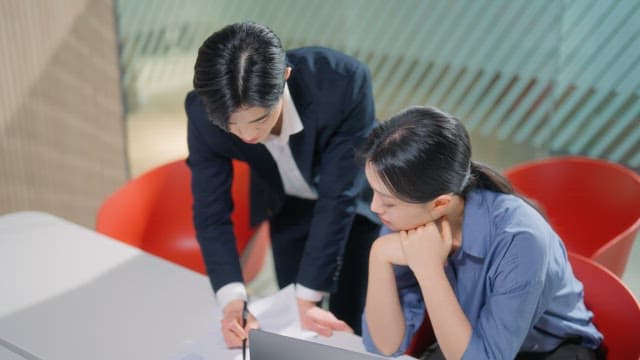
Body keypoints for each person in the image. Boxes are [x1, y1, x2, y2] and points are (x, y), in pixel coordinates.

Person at [185, 21, 380, 348]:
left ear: (285, 76)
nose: (248, 135)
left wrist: (309, 295)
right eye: (231, 125)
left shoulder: (342, 83)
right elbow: (211, 213)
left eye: (260, 119)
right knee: (295, 306)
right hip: (285, 203)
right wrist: (233, 299)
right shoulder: (203, 115)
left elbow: (338, 196)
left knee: (352, 313)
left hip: (352, 202)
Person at [358, 106, 603, 359]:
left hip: (551, 350)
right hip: (473, 340)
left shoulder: (520, 238)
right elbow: (384, 346)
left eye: (388, 201)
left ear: (440, 203)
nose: (375, 207)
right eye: (374, 192)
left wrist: (428, 269)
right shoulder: (407, 214)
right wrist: (379, 256)